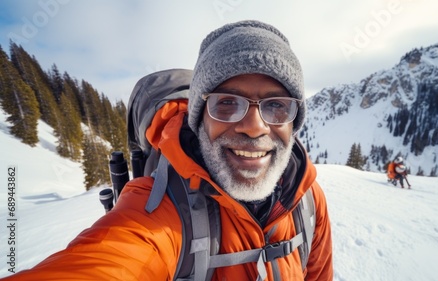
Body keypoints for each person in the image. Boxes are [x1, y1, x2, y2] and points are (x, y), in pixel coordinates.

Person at [2, 20, 333, 280]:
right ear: (199, 118)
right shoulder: (157, 208)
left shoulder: (308, 201)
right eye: (227, 103)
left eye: (276, 106)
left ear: (294, 121)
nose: (254, 127)